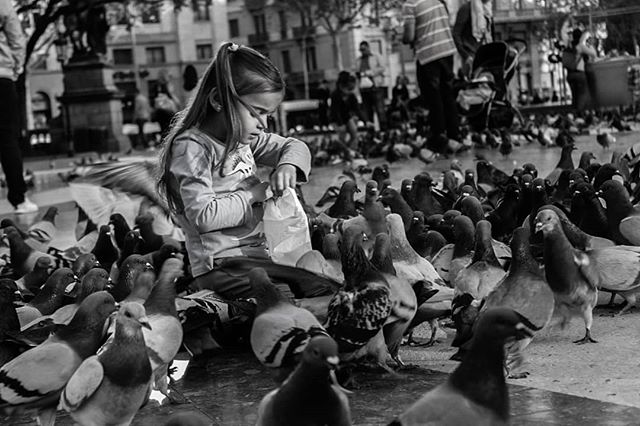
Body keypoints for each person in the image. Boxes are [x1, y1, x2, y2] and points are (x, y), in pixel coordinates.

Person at [157, 42, 337, 301]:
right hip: (220, 264)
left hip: (257, 256)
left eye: (269, 115)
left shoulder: (245, 140)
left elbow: (294, 145)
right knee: (284, 301)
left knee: (320, 286)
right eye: (258, 112)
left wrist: (288, 165)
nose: (263, 124)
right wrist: (254, 195)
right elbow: (203, 216)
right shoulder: (192, 146)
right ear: (219, 100)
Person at [403, 0, 463, 156]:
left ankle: (439, 138)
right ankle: (454, 136)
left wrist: (403, 36)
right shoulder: (437, 1)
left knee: (433, 98)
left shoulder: (410, 5)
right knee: (448, 95)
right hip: (447, 50)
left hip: (428, 55)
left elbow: (409, 35)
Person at [0, 0, 38, 214]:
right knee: (7, 138)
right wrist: (15, 68)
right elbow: (16, 39)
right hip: (1, 77)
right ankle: (19, 198)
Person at [329, 71, 367, 161]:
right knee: (342, 136)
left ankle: (350, 152)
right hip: (337, 118)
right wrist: (340, 123)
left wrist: (365, 120)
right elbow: (335, 111)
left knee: (354, 133)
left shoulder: (351, 95)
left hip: (347, 117)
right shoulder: (335, 95)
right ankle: (342, 153)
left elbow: (357, 109)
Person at [452, 0, 493, 77]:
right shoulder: (466, 9)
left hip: (485, 55)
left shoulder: (488, 10)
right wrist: (466, 56)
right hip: (470, 55)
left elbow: (489, 32)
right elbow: (456, 34)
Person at [355, 41, 387, 130]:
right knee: (367, 111)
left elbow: (383, 67)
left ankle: (384, 130)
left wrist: (370, 73)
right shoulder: (358, 60)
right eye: (361, 50)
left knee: (380, 110)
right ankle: (371, 131)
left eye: (364, 49)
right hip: (364, 88)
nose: (362, 51)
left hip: (376, 86)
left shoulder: (376, 56)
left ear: (368, 48)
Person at [563, 28, 597, 112]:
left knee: (575, 97)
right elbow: (594, 54)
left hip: (570, 75)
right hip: (580, 75)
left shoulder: (569, 46)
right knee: (582, 97)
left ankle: (574, 115)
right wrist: (590, 45)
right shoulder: (581, 46)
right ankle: (580, 115)